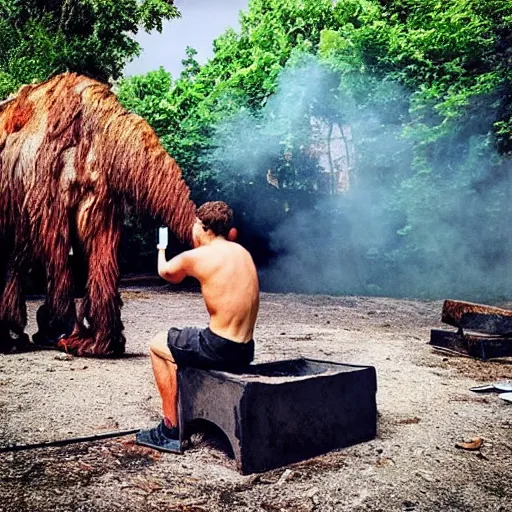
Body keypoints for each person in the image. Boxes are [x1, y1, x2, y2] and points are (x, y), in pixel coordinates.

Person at [136, 201, 259, 452]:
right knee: (186, 343)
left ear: (203, 227)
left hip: (219, 347)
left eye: (194, 225)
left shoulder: (200, 255)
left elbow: (166, 272)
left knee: (158, 344)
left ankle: (171, 431)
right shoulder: (242, 253)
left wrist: (161, 249)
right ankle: (192, 412)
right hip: (245, 349)